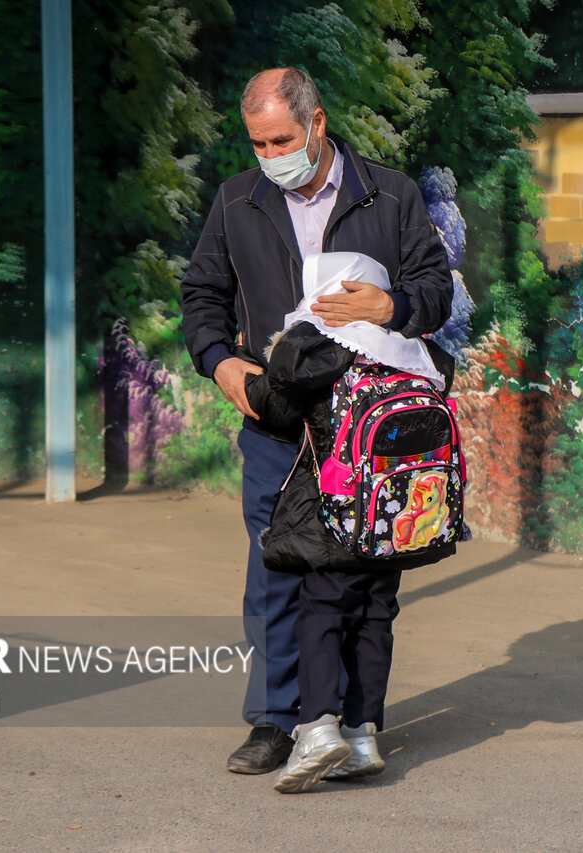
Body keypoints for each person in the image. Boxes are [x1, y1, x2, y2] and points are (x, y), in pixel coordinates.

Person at [179, 67, 452, 776]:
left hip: (368, 424)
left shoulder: (389, 193)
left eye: (281, 139)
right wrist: (219, 362)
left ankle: (358, 726)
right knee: (277, 568)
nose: (270, 156)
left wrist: (391, 307)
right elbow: (203, 291)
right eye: (259, 143)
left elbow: (435, 287)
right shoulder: (237, 201)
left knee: (369, 579)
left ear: (318, 124)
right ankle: (276, 719)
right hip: (278, 418)